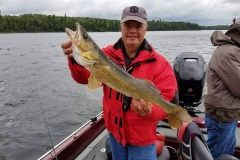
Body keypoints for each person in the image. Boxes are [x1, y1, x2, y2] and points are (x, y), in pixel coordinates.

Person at [61, 6, 179, 160]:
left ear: (146, 29)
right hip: (115, 136)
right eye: (128, 25)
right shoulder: (105, 55)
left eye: (138, 26)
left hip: (142, 141)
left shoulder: (160, 64)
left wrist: (149, 111)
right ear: (121, 27)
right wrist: (74, 59)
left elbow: (168, 100)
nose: (132, 30)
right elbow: (83, 78)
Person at [203, 15, 240, 160]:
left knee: (226, 153)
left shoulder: (233, 49)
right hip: (222, 116)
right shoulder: (230, 53)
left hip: (227, 114)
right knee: (214, 156)